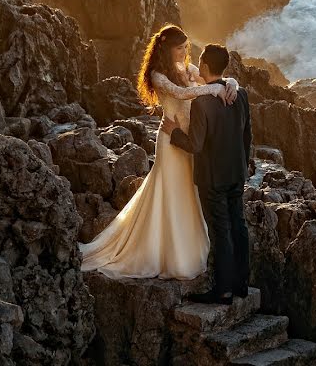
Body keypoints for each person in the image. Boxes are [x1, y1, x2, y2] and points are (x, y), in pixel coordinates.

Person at [79, 25, 238, 280]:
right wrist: (214, 90)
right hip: (170, 140)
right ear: (166, 49)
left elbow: (213, 79)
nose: (185, 52)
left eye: (186, 47)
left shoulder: (185, 69)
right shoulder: (157, 75)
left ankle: (187, 251)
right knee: (171, 191)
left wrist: (231, 82)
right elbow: (182, 93)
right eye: (180, 48)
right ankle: (166, 254)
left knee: (189, 191)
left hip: (187, 140)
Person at [162, 43, 251, 304]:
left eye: (200, 62)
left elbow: (195, 145)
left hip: (213, 177)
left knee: (221, 232)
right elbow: (247, 135)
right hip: (237, 171)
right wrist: (245, 164)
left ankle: (223, 289)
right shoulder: (241, 94)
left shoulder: (202, 102)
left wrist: (173, 132)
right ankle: (241, 283)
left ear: (205, 66)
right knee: (239, 226)